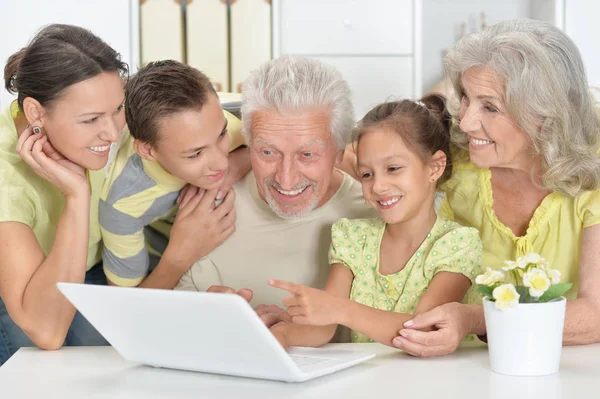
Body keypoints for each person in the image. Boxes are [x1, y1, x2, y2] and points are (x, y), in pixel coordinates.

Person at [392, 19, 600, 357]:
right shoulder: (455, 162)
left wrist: (476, 319)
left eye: (490, 107)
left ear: (544, 114)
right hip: (463, 366)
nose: (467, 121)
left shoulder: (594, 166)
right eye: (465, 98)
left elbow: (595, 315)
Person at [267, 95, 483, 348]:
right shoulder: (353, 237)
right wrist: (280, 336)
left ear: (434, 167)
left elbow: (424, 329)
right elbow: (322, 329)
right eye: (367, 174)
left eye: (393, 169)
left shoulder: (457, 243)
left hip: (435, 381)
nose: (378, 187)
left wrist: (340, 309)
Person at [175, 56, 376, 325]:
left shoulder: (374, 215)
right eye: (267, 152)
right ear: (247, 146)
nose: (286, 179)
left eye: (307, 154)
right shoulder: (210, 205)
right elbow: (170, 322)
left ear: (339, 154)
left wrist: (297, 332)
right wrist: (201, 316)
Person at [0, 24, 126, 364]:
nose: (113, 133)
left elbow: (217, 117)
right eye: (91, 120)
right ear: (36, 113)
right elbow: (46, 331)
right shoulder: (5, 178)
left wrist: (239, 156)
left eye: (118, 109)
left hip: (89, 269)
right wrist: (76, 194)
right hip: (17, 290)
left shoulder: (104, 109)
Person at [99, 60, 250, 293]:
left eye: (221, 136)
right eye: (196, 154)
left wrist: (243, 159)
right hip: (165, 267)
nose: (220, 162)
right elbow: (130, 301)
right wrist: (181, 253)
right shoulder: (122, 205)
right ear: (148, 151)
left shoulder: (228, 120)